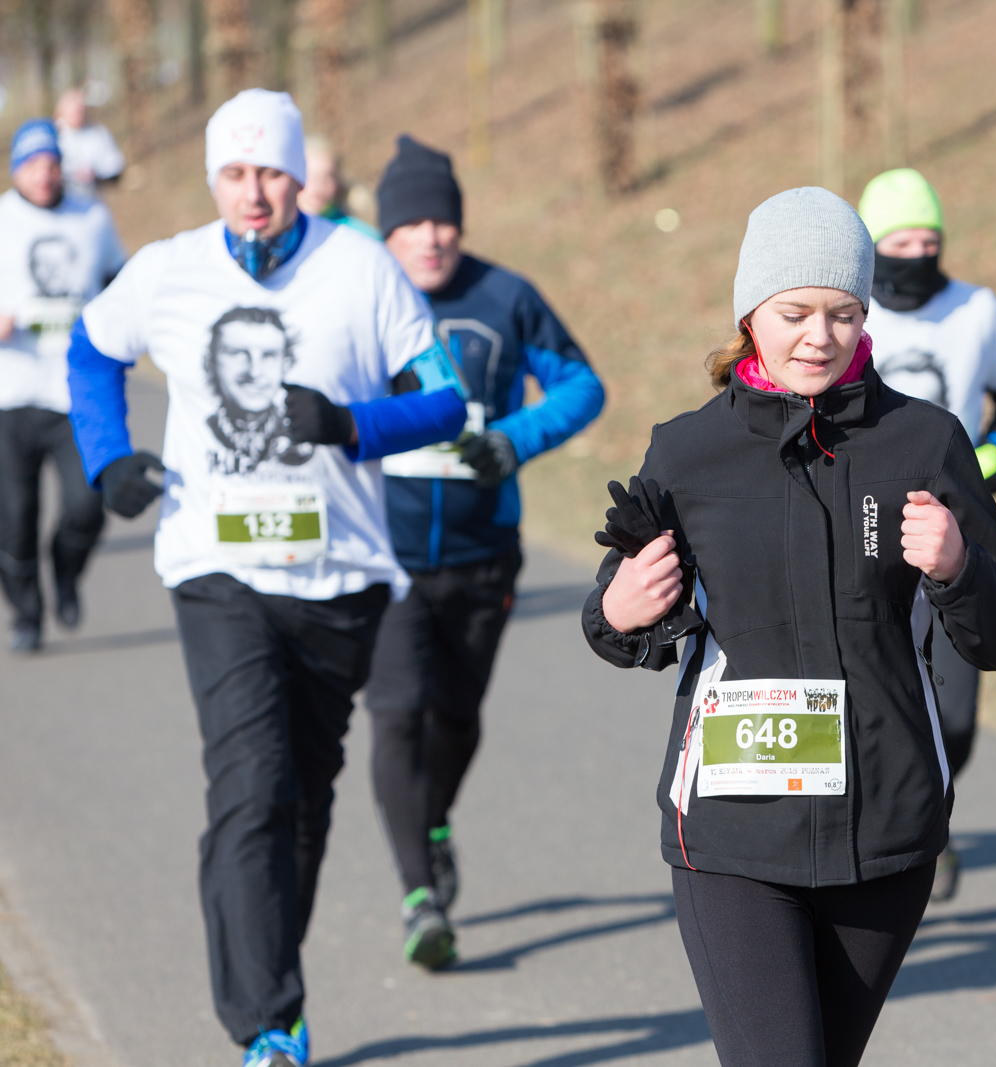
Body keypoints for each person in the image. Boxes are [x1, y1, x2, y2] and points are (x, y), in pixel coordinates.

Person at [582, 187, 996, 1067]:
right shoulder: (686, 452)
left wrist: (957, 568)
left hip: (886, 831)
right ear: (751, 314)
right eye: (794, 312)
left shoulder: (923, 442)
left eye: (842, 313)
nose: (817, 337)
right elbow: (624, 614)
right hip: (731, 835)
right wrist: (619, 611)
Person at [65, 89, 467, 1067]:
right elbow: (90, 348)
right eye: (235, 174)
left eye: (271, 173)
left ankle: (263, 975)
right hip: (217, 564)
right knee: (251, 782)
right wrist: (109, 457)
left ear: (300, 176)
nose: (254, 193)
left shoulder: (360, 267)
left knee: (300, 794)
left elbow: (448, 401)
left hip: (341, 574)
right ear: (214, 178)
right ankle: (267, 1023)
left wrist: (351, 423)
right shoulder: (167, 271)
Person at [366, 133, 605, 969]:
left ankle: (434, 819)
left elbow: (581, 384)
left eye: (444, 221)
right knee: (396, 712)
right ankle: (418, 894)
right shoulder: (359, 296)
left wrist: (511, 440)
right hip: (384, 555)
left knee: (457, 718)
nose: (430, 236)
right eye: (413, 224)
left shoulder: (507, 296)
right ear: (386, 234)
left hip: (483, 552)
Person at [857, 166, 996, 901]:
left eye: (929, 238)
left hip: (958, 529)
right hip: (865, 528)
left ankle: (932, 799)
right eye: (900, 239)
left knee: (954, 715)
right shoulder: (846, 313)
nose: (918, 251)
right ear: (872, 246)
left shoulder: (978, 310)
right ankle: (892, 828)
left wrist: (989, 456)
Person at [0, 118, 125, 650]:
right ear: (16, 170)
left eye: (51, 163)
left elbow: (119, 282)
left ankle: (67, 571)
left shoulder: (92, 216)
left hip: (76, 393)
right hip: (10, 392)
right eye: (32, 165)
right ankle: (27, 615)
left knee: (86, 506)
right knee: (15, 516)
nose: (45, 174)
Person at [296, 135, 379, 239]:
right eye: (308, 174)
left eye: (328, 175)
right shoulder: (276, 236)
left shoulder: (359, 236)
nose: (318, 185)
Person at [54, 88, 124, 199]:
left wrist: (94, 177)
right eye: (72, 110)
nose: (77, 113)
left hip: (92, 202)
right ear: (61, 110)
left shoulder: (98, 134)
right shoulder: (52, 134)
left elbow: (115, 172)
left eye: (80, 110)